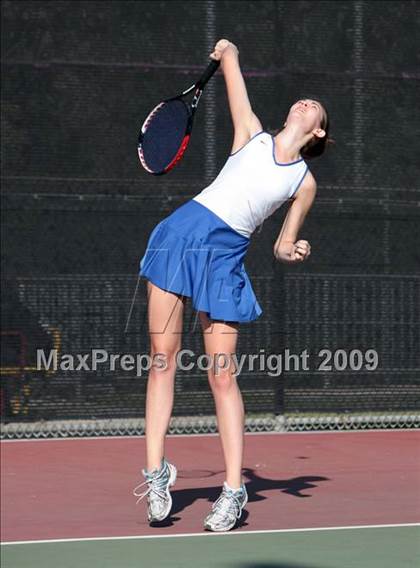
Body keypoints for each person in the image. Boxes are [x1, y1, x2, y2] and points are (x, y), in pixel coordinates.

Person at [132, 39, 333, 532]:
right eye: (302, 100)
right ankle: (157, 476)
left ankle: (232, 491)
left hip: (225, 258)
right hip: (179, 237)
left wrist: (294, 249)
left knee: (221, 374)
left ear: (317, 130)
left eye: (315, 107)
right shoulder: (251, 134)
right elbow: (232, 79)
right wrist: (230, 52)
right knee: (163, 361)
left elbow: (282, 245)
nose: (305, 103)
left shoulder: (303, 183)